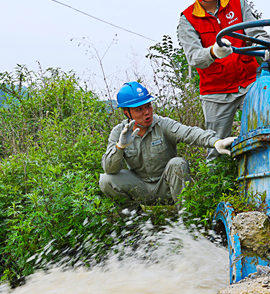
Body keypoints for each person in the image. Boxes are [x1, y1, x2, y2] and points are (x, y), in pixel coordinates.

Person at [177, 0, 270, 160]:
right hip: (216, 93)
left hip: (249, 84)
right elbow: (194, 57)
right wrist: (214, 51)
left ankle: (261, 179)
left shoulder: (237, 3)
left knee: (265, 133)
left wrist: (268, 48)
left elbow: (257, 33)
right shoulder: (188, 19)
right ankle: (216, 188)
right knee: (216, 148)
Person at [99, 81, 235, 204]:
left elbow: (188, 132)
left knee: (177, 163)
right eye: (139, 109)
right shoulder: (118, 132)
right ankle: (135, 220)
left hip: (167, 188)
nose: (147, 112)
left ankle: (185, 219)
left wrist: (216, 141)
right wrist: (120, 146)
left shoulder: (162, 124)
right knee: (106, 180)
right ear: (127, 113)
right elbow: (110, 169)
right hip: (141, 189)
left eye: (148, 106)